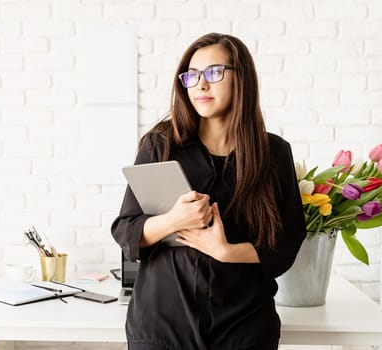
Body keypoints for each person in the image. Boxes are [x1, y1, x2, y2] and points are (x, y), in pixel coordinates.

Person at [111, 33, 307, 350]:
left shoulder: (273, 152)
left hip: (244, 328)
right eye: (192, 76)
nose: (201, 85)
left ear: (240, 78)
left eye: (214, 72)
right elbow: (126, 230)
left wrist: (227, 251)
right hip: (162, 326)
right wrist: (174, 220)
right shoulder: (161, 144)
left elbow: (287, 240)